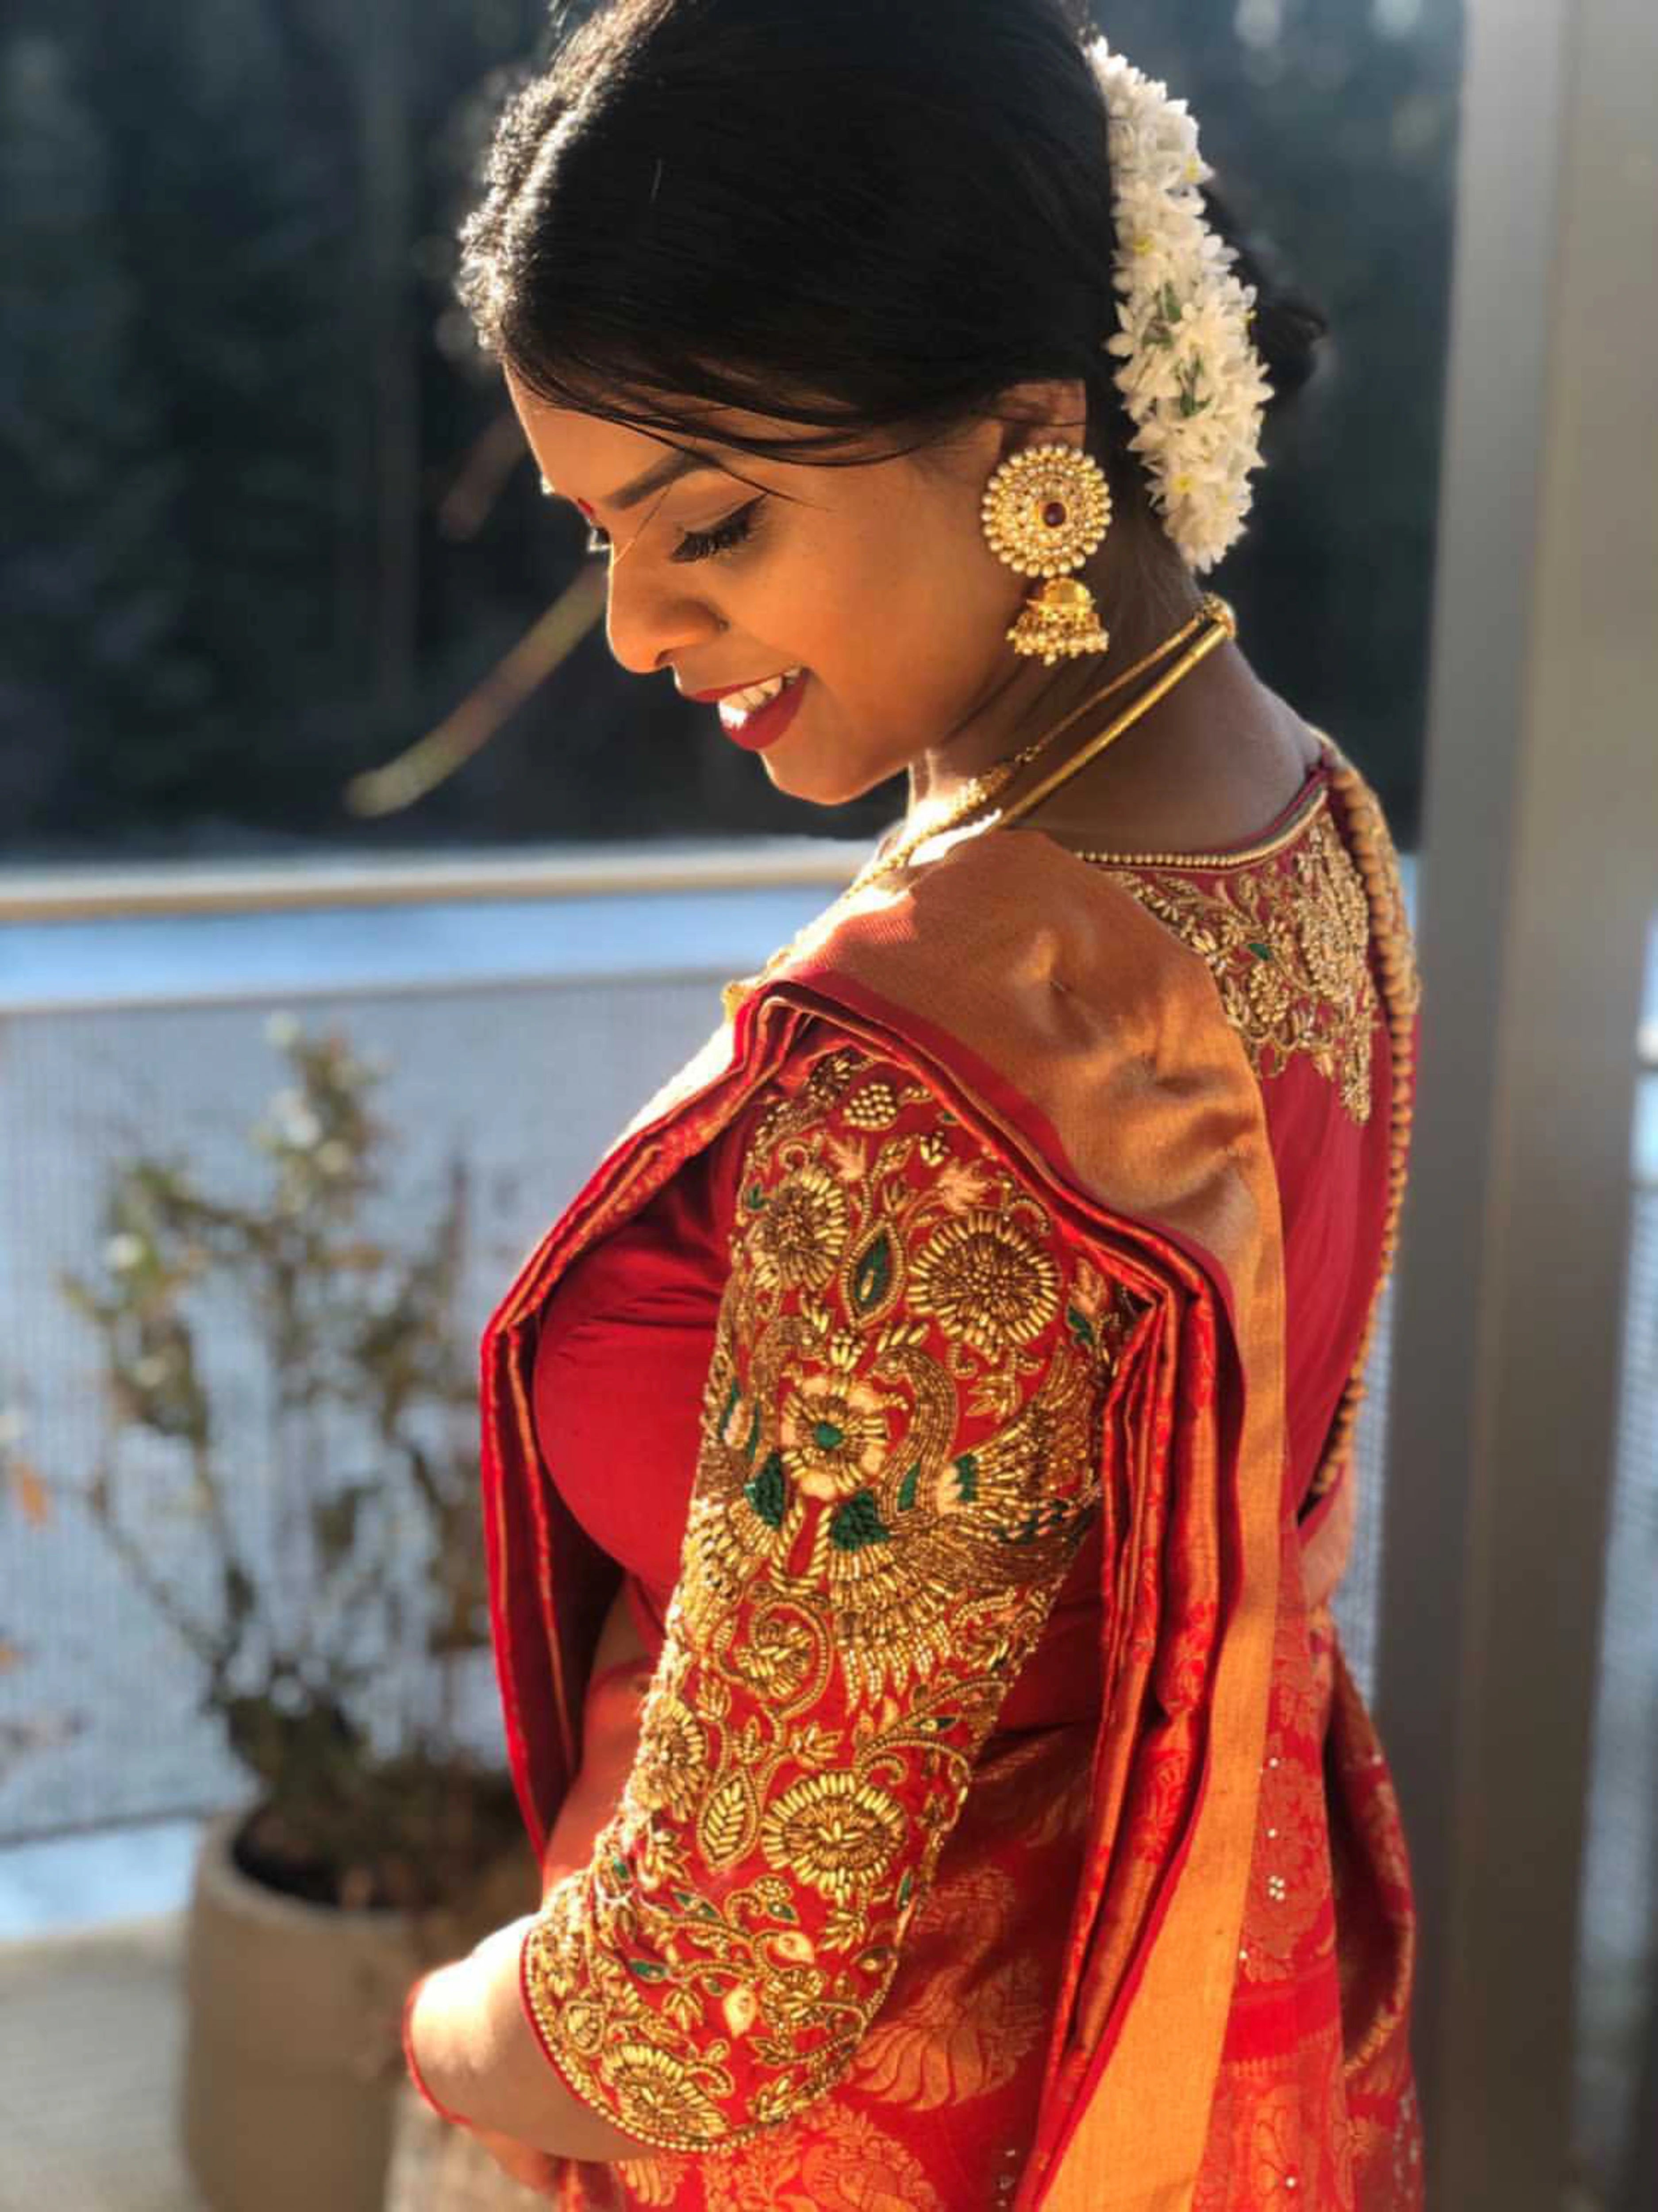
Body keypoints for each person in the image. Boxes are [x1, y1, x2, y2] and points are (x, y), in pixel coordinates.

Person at [402, 3, 1426, 2206]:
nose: (638, 625)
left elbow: (700, 2005)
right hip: (1180, 2007)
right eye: (596, 537)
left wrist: (446, 2029)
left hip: (894, 2124)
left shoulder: (943, 1058)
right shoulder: (1302, 817)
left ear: (1026, 430)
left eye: (709, 524)